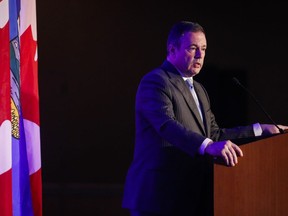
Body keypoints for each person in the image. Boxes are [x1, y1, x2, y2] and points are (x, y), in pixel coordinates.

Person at [122, 21, 288, 216]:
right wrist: (207, 145)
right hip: (159, 196)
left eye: (203, 49)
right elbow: (167, 125)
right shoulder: (156, 81)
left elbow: (214, 135)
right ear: (172, 49)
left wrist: (260, 130)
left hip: (190, 196)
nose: (200, 55)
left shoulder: (199, 90)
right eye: (193, 48)